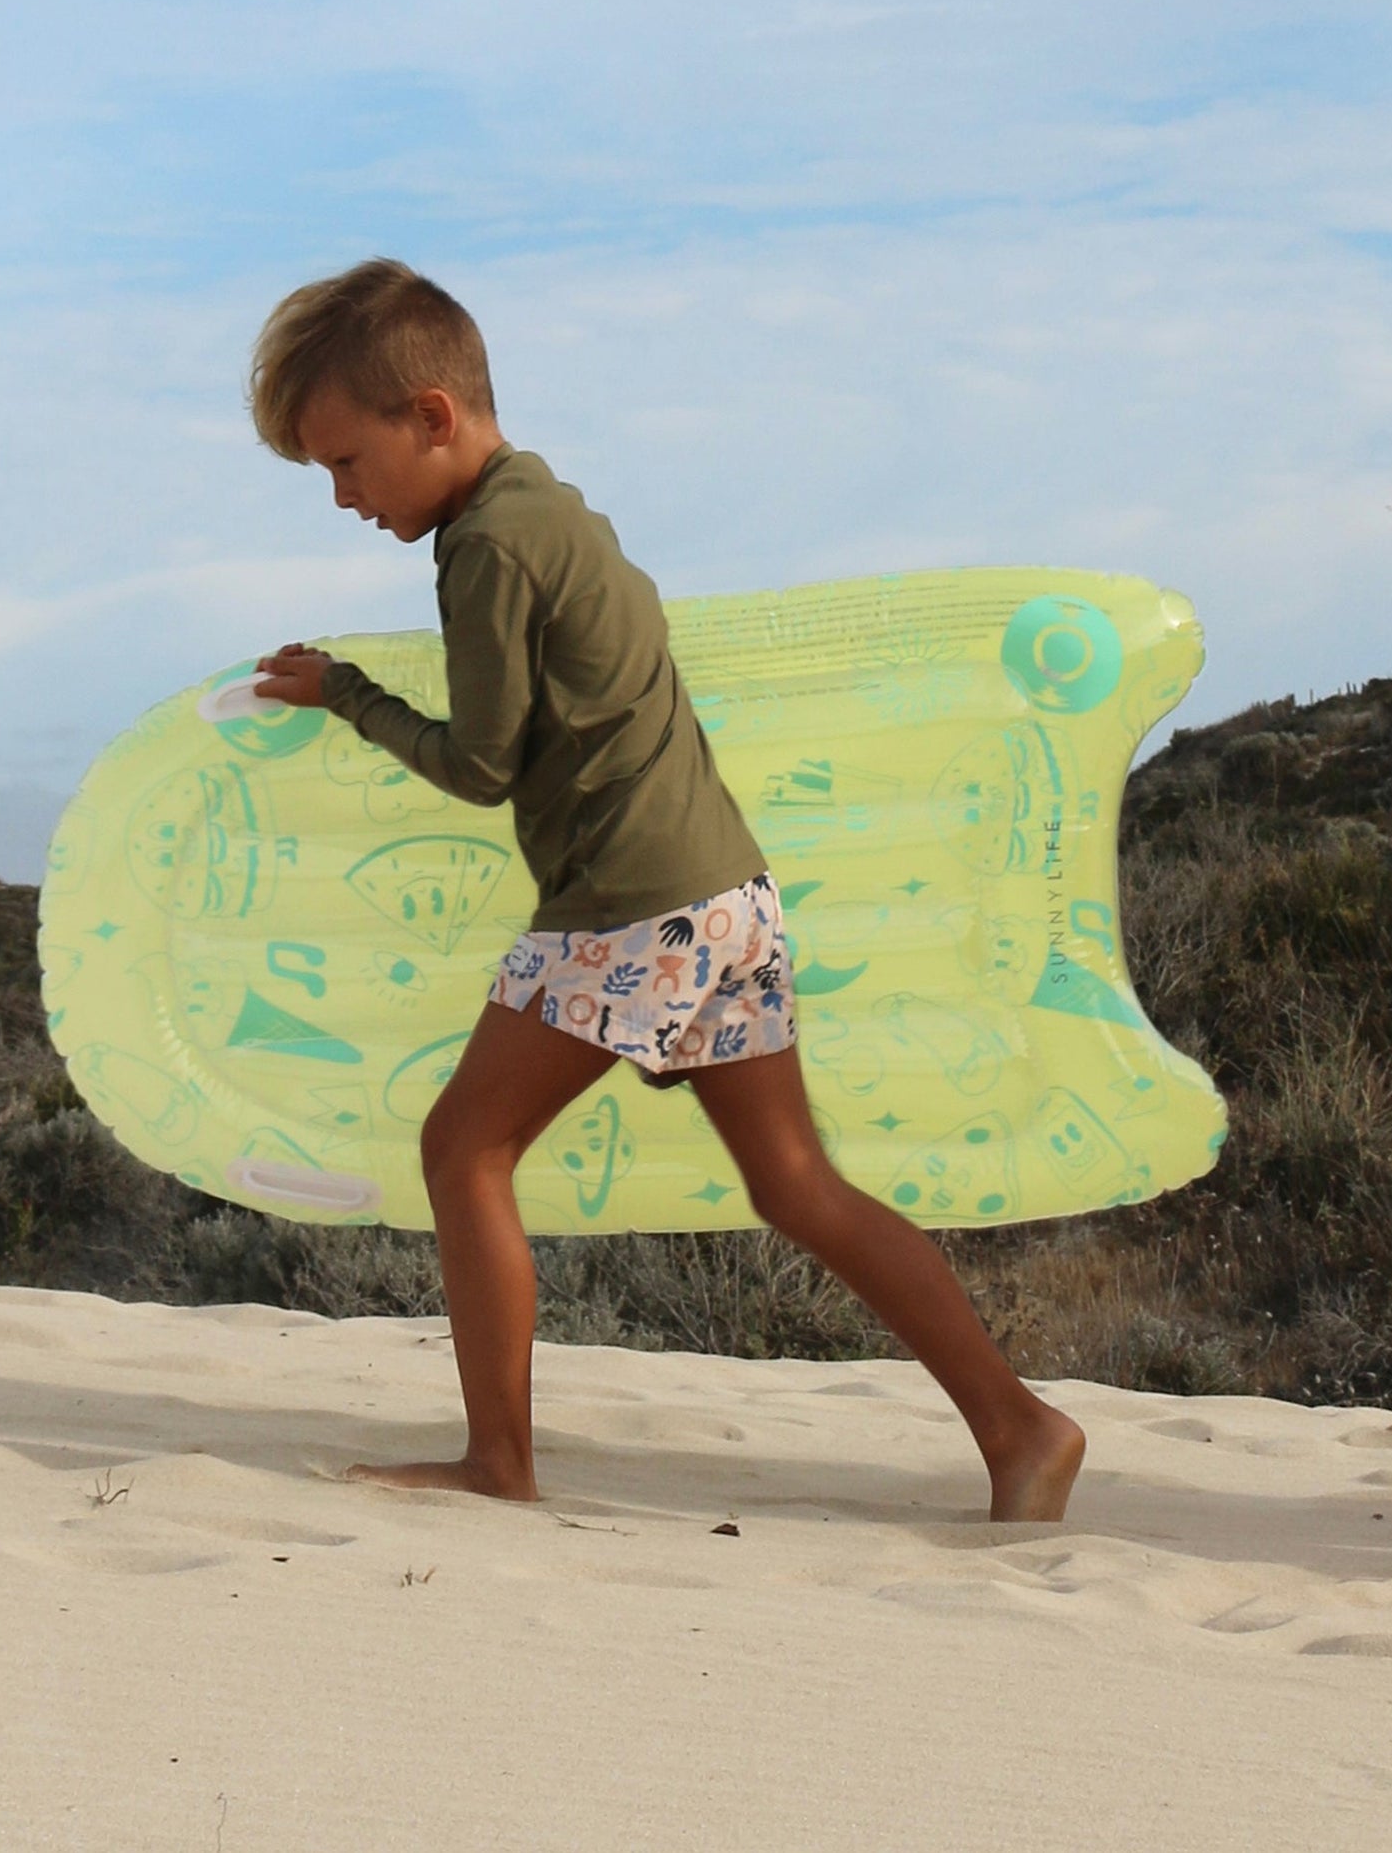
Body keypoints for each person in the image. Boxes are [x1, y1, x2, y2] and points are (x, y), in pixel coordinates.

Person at [248, 258, 1085, 1522]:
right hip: (725, 893)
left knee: (460, 1148)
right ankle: (1020, 1427)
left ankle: (497, 1461)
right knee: (795, 1183)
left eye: (344, 462)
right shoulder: (554, 507)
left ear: (429, 415)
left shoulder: (484, 549)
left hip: (632, 907)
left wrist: (348, 695)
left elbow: (480, 767)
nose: (341, 496)